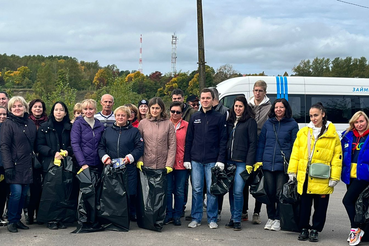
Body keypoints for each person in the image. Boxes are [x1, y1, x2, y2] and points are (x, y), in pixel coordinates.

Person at [288, 102, 342, 242]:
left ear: (323, 114)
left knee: (321, 207)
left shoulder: (332, 134)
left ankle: (315, 230)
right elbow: (296, 153)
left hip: (323, 175)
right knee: (304, 205)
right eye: (311, 116)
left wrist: (335, 177)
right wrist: (292, 171)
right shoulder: (303, 132)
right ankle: (304, 228)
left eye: (316, 115)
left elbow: (337, 158)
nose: (313, 118)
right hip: (306, 175)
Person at [184, 88, 227, 229]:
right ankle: (196, 218)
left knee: (211, 190)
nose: (205, 100)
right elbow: (189, 139)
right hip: (196, 160)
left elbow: (223, 140)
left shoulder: (219, 118)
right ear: (200, 100)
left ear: (212, 99)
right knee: (196, 189)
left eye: (208, 98)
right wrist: (187, 159)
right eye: (203, 98)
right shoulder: (195, 117)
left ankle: (212, 218)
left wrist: (221, 159)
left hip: (212, 160)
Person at [256, 98, 298, 231]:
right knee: (269, 192)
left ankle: (279, 219)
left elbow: (294, 146)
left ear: (286, 109)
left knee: (280, 193)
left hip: (282, 165)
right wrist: (259, 161)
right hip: (268, 164)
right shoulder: (268, 124)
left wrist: (292, 165)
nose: (278, 110)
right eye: (276, 107)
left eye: (281, 107)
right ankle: (270, 217)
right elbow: (262, 143)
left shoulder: (292, 124)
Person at [98, 106, 144, 222]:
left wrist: (130, 157)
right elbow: (101, 147)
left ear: (128, 117)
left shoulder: (134, 131)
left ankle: (130, 214)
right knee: (114, 193)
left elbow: (140, 147)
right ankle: (115, 216)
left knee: (130, 192)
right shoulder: (107, 131)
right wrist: (105, 157)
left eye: (123, 115)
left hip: (128, 167)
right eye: (118, 115)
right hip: (112, 168)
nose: (120, 117)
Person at [1, 96, 37, 233]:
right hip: (14, 164)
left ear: (24, 108)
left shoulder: (30, 123)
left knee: (23, 195)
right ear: (10, 109)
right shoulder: (8, 124)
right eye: (14, 106)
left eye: (20, 106)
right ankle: (11, 220)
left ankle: (17, 219)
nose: (17, 108)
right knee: (15, 193)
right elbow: (4, 146)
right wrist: (8, 166)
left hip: (27, 164)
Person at [36, 101, 73, 230]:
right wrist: (53, 153)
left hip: (66, 164)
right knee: (51, 193)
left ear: (65, 112)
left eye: (61, 110)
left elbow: (75, 144)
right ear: (52, 112)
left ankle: (62, 218)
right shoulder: (44, 127)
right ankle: (51, 219)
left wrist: (68, 151)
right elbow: (39, 146)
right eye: (56, 109)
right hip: (50, 164)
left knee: (65, 193)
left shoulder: (70, 127)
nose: (58, 112)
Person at [71, 99, 104, 231]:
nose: (88, 111)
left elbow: (102, 144)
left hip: (98, 164)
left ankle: (93, 220)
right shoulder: (78, 124)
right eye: (85, 109)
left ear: (95, 110)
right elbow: (75, 144)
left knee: (96, 194)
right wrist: (83, 163)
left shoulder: (100, 124)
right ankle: (83, 221)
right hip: (84, 165)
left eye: (91, 109)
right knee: (84, 194)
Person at [224, 96, 257, 231]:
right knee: (231, 191)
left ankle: (238, 219)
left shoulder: (250, 122)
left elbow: (253, 143)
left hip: (242, 162)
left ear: (245, 108)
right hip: (229, 161)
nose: (238, 109)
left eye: (240, 106)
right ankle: (233, 217)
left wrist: (250, 162)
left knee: (238, 191)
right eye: (236, 106)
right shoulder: (230, 121)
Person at [243, 80, 272, 224]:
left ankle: (256, 212)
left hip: (262, 145)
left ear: (265, 92)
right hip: (247, 146)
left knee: (259, 181)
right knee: (245, 180)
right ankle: (243, 211)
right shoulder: (247, 106)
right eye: (255, 90)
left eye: (260, 90)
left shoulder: (270, 107)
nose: (257, 93)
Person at [341, 111, 369, 246]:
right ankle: (363, 231)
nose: (359, 124)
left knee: (347, 200)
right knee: (358, 204)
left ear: (367, 121)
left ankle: (355, 229)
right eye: (356, 122)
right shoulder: (347, 136)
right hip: (349, 175)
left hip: (364, 176)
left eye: (361, 121)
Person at [165, 101, 188, 226]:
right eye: (172, 111)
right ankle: (168, 214)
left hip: (181, 163)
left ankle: (177, 214)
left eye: (178, 112)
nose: (174, 114)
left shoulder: (187, 126)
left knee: (179, 190)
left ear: (182, 113)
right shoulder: (165, 124)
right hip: (167, 162)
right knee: (168, 190)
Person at [26, 98, 48, 225]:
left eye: (40, 107)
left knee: (44, 187)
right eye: (35, 107)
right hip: (30, 157)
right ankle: (30, 214)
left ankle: (41, 214)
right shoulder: (27, 121)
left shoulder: (48, 121)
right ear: (31, 108)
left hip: (44, 156)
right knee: (33, 188)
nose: (38, 109)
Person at [210, 87, 229, 221]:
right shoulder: (203, 111)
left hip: (218, 154)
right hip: (207, 153)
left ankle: (218, 211)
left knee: (216, 184)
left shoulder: (224, 112)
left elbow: (225, 136)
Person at [0, 106, 8, 226]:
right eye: (0, 114)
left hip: (4, 165)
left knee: (2, 193)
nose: (2, 117)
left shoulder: (8, 128)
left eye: (4, 114)